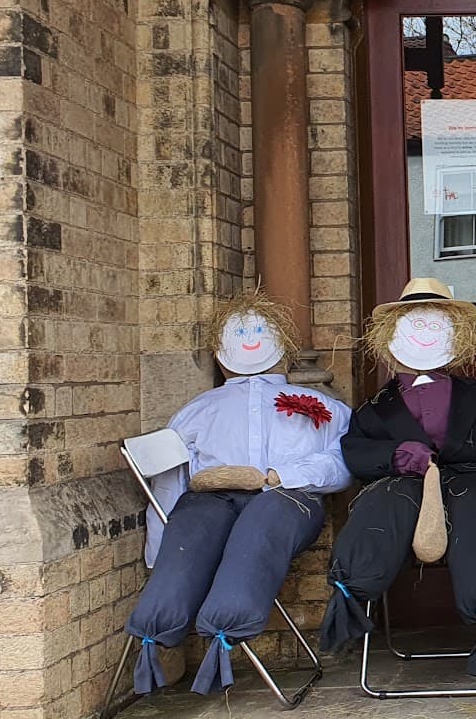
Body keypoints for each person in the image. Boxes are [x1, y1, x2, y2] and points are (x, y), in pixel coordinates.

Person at [125, 291, 351, 695]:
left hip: (284, 497)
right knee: (193, 524)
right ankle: (156, 628)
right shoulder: (200, 408)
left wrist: (277, 475)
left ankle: (227, 625)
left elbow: (340, 466)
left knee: (263, 524)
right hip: (213, 497)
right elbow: (169, 483)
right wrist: (159, 551)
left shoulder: (320, 406)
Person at [320, 277, 476, 677]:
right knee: (379, 506)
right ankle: (351, 590)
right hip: (407, 484)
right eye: (414, 324)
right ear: (392, 335)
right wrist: (399, 456)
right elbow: (356, 449)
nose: (423, 333)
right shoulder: (375, 408)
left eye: (435, 324)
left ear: (457, 335)